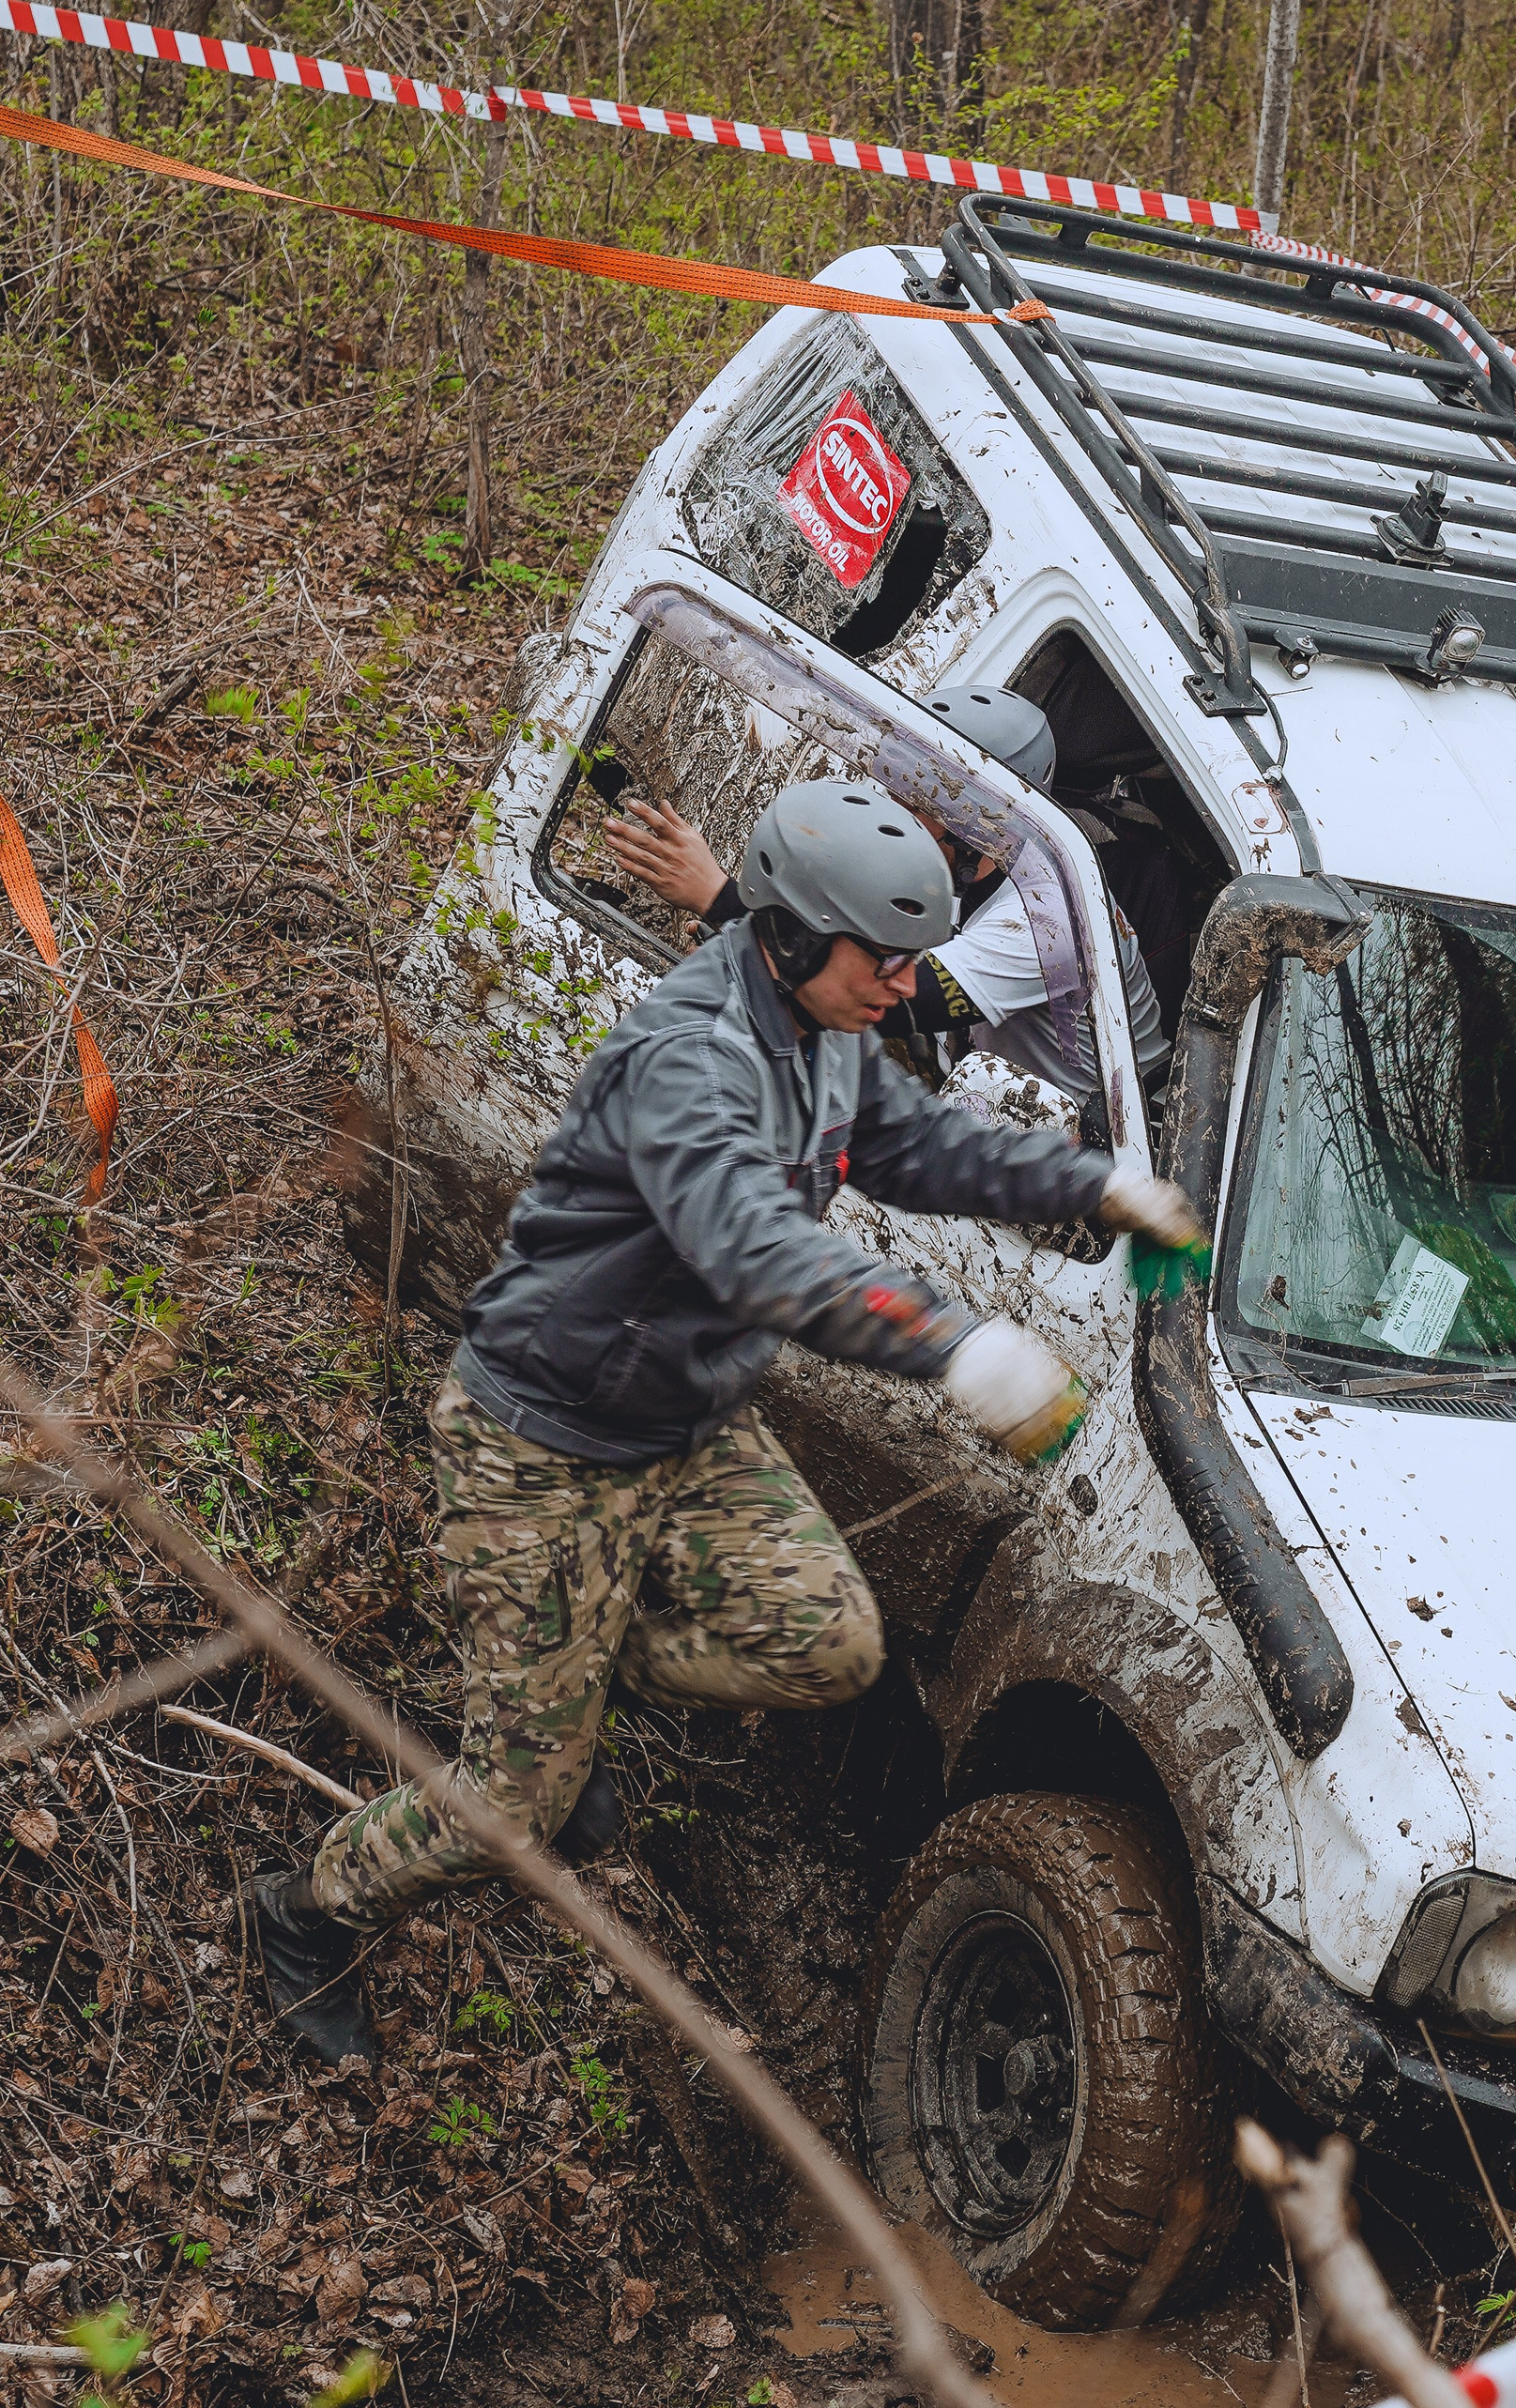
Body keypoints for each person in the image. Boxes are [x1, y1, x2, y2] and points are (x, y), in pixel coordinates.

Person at [253, 778, 1206, 2063]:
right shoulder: (688, 1062)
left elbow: (928, 1150)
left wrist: (1094, 1186)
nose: (902, 988)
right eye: (883, 960)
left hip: (688, 1422)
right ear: (797, 936)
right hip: (543, 1441)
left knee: (828, 1646)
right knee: (513, 1808)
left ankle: (581, 1675)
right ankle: (305, 1910)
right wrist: (953, 1343)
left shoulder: (825, 1032)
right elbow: (758, 1252)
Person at [601, 684, 1166, 1100]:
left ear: (985, 829)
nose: (897, 817)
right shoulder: (966, 866)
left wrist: (718, 897)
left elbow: (895, 1003)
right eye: (898, 793)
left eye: (919, 805)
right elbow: (845, 926)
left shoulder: (1048, 917)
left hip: (1112, 1136)